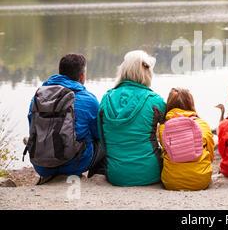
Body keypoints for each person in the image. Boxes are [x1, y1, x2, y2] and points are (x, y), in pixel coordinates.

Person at [26, 53, 105, 185]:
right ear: (82, 76)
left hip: (41, 165)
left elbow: (32, 129)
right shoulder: (88, 99)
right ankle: (97, 180)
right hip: (74, 165)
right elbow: (99, 134)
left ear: (60, 72)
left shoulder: (38, 97)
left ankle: (47, 177)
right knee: (105, 141)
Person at [97, 50, 165, 186]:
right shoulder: (155, 101)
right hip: (151, 173)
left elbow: (102, 140)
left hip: (116, 175)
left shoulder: (106, 99)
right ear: (147, 73)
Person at [159, 88, 214, 191]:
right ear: (191, 103)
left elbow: (164, 152)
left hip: (171, 182)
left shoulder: (163, 128)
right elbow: (210, 154)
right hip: (201, 181)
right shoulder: (202, 124)